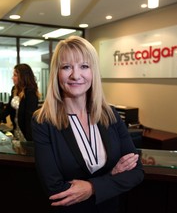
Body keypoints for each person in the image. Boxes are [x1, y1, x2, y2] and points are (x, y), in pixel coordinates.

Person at [31, 36, 144, 213]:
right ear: (56, 73)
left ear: (94, 72)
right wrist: (112, 177)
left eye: (84, 66)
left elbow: (136, 171)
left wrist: (92, 188)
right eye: (66, 67)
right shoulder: (43, 121)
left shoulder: (110, 114)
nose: (75, 75)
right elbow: (55, 190)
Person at [0, 63, 40, 141]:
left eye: (15, 75)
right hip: (16, 129)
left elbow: (29, 118)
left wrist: (29, 140)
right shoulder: (14, 89)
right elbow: (8, 109)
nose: (12, 78)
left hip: (26, 133)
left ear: (23, 77)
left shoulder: (30, 92)